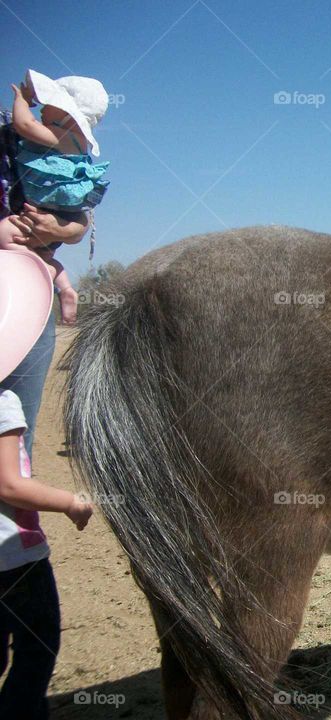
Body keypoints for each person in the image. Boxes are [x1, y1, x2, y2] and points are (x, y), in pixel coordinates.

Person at [0, 249, 93, 719]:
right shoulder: (5, 405)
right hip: (12, 557)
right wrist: (70, 502)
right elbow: (10, 486)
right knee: (38, 645)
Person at [0, 69, 110, 325]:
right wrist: (24, 102)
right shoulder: (76, 144)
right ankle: (58, 281)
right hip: (48, 219)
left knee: (4, 234)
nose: (42, 108)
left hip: (35, 221)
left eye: (49, 104)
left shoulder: (51, 136)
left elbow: (79, 227)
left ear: (68, 114)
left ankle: (42, 271)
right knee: (46, 256)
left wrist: (22, 101)